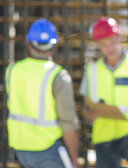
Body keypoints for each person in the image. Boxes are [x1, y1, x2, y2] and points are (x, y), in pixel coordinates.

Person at [80, 16, 128, 168]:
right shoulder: (92, 70)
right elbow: (85, 106)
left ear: (119, 37)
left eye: (113, 42)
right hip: (104, 135)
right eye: (104, 45)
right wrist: (89, 114)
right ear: (98, 45)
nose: (110, 48)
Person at [5, 18, 80, 168]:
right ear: (54, 46)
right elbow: (68, 123)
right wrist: (74, 159)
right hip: (48, 149)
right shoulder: (59, 76)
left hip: (21, 149)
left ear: (28, 44)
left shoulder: (12, 70)